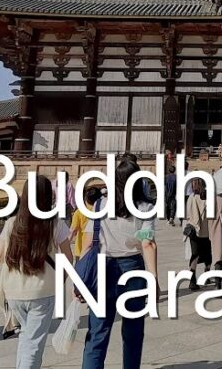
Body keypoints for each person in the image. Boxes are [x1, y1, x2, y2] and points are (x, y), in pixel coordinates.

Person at [81, 157, 156, 369]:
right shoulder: (145, 206)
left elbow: (88, 243)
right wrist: (154, 280)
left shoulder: (99, 205)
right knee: (133, 332)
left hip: (103, 267)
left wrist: (80, 280)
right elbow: (147, 244)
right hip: (132, 267)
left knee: (97, 332)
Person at [0, 174, 73, 369]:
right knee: (34, 343)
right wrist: (59, 280)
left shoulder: (11, 223)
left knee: (26, 337)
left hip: (14, 291)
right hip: (42, 291)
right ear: (49, 197)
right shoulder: (55, 223)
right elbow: (68, 258)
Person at [184, 179, 217, 290]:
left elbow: (187, 214)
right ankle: (206, 275)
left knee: (195, 254)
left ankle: (192, 279)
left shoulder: (191, 197)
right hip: (206, 231)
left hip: (193, 230)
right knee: (208, 254)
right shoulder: (207, 198)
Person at [70, 186, 104, 258]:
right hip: (100, 251)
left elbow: (73, 231)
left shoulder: (79, 212)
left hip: (81, 251)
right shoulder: (103, 212)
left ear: (86, 199)